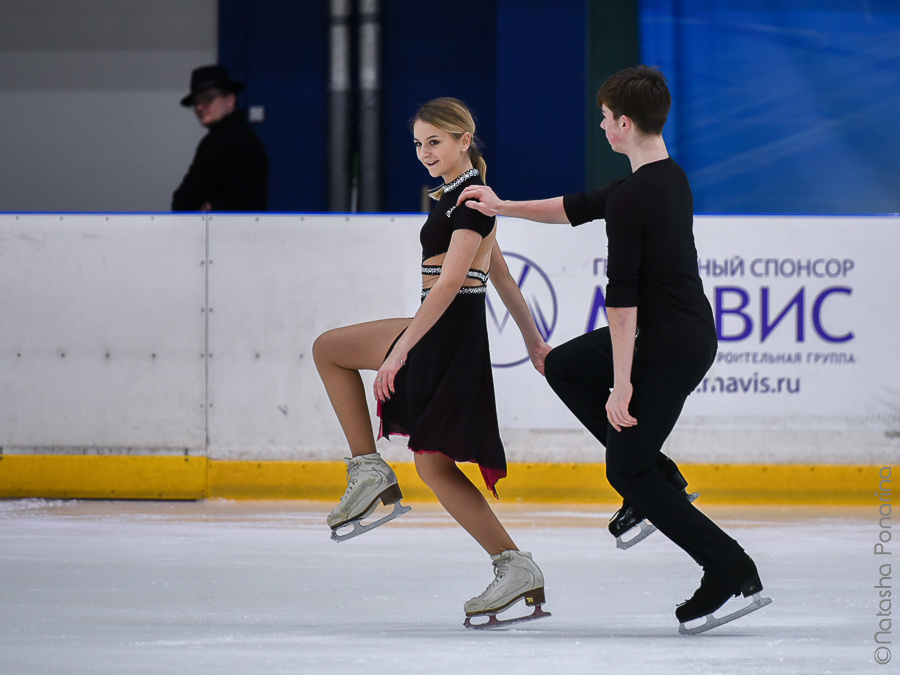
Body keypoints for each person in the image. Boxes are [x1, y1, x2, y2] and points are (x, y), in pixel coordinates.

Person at [456, 66, 770, 634]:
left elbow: (620, 300)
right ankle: (661, 480)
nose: (601, 127)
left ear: (624, 123)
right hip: (670, 331)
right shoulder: (662, 179)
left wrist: (622, 384)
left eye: (605, 119)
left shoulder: (634, 198)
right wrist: (502, 207)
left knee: (626, 469)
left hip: (668, 344)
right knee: (564, 367)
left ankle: (728, 567)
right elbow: (575, 206)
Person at [312, 97, 552, 628]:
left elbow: (450, 283)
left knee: (329, 349)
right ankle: (514, 567)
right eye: (418, 144)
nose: (424, 152)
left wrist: (401, 350)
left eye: (434, 142)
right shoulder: (458, 198)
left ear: (464, 140)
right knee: (433, 465)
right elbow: (504, 276)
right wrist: (535, 341)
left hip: (445, 328)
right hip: (450, 330)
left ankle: (368, 470)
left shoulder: (468, 203)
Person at [172, 65, 269, 212]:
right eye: (196, 102)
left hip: (224, 232)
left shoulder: (218, 142)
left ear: (230, 100)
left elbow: (181, 202)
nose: (199, 107)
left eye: (208, 98)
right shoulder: (249, 137)